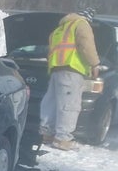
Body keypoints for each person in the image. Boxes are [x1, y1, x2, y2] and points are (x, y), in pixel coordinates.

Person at [39, 8, 100, 151]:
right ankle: (63, 139)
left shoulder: (61, 28)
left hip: (56, 70)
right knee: (69, 105)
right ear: (88, 18)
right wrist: (95, 63)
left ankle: (47, 134)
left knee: (52, 103)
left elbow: (51, 50)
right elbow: (86, 46)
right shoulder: (81, 24)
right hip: (72, 69)